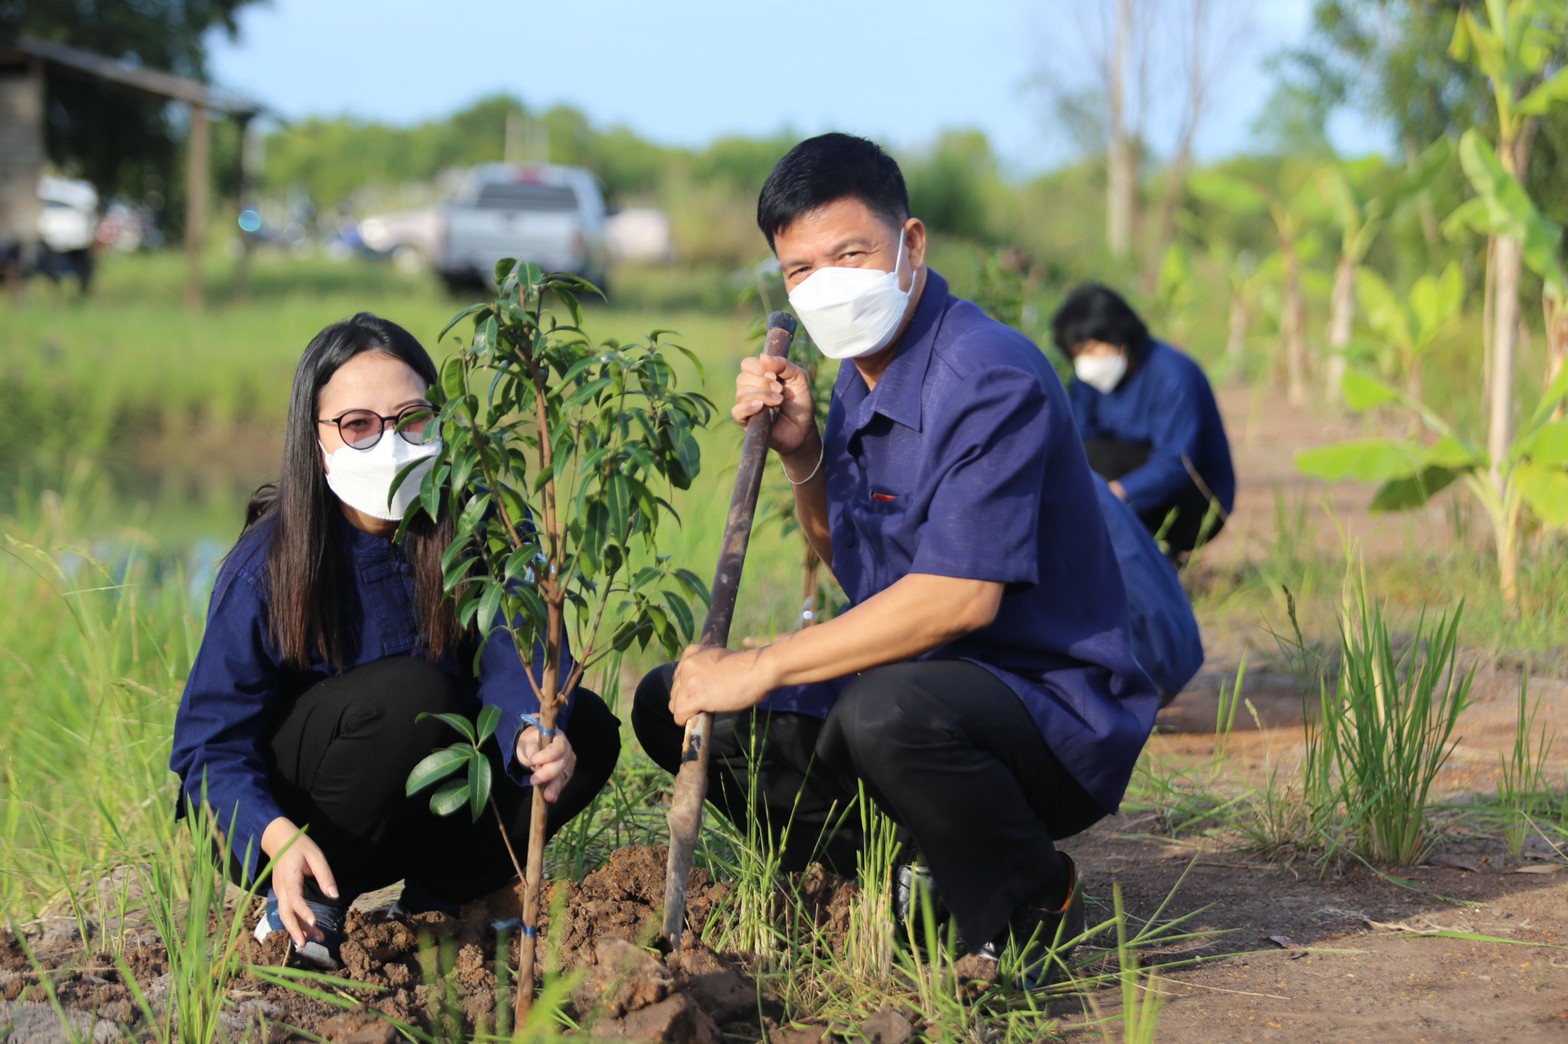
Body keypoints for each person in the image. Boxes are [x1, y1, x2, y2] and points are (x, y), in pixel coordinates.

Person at [632, 134, 1159, 988]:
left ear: (911, 245)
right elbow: (863, 565)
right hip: (925, 685)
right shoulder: (860, 376)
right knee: (673, 704)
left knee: (881, 711)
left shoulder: (989, 376)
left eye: (851, 253)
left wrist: (761, 666)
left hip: (1045, 712)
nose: (828, 286)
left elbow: (957, 602)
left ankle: (1031, 891)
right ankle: (891, 872)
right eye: (802, 271)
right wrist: (805, 457)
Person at [169, 313, 620, 968]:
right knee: (416, 691)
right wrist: (274, 835)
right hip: (303, 819)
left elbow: (516, 641)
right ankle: (310, 904)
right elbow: (208, 744)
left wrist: (530, 732)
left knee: (588, 728)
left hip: (427, 797)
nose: (389, 443)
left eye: (411, 419)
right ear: (315, 437)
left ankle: (441, 897)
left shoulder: (481, 520)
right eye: (358, 425)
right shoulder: (269, 565)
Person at [1052, 284, 1235, 561]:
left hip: (1197, 500)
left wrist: (1114, 494)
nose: (1085, 362)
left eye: (1090, 349)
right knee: (1074, 456)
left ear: (1118, 338)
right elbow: (1077, 440)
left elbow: (1175, 464)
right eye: (1077, 353)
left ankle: (1153, 552)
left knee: (1095, 465)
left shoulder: (1173, 375)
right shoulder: (1087, 382)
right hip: (1129, 483)